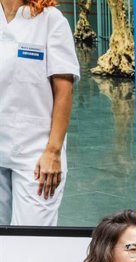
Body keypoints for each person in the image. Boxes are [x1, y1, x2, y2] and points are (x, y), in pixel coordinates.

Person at [0, 0, 79, 225]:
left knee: (32, 236)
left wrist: (53, 152)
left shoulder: (50, 20)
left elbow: (64, 91)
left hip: (36, 152)